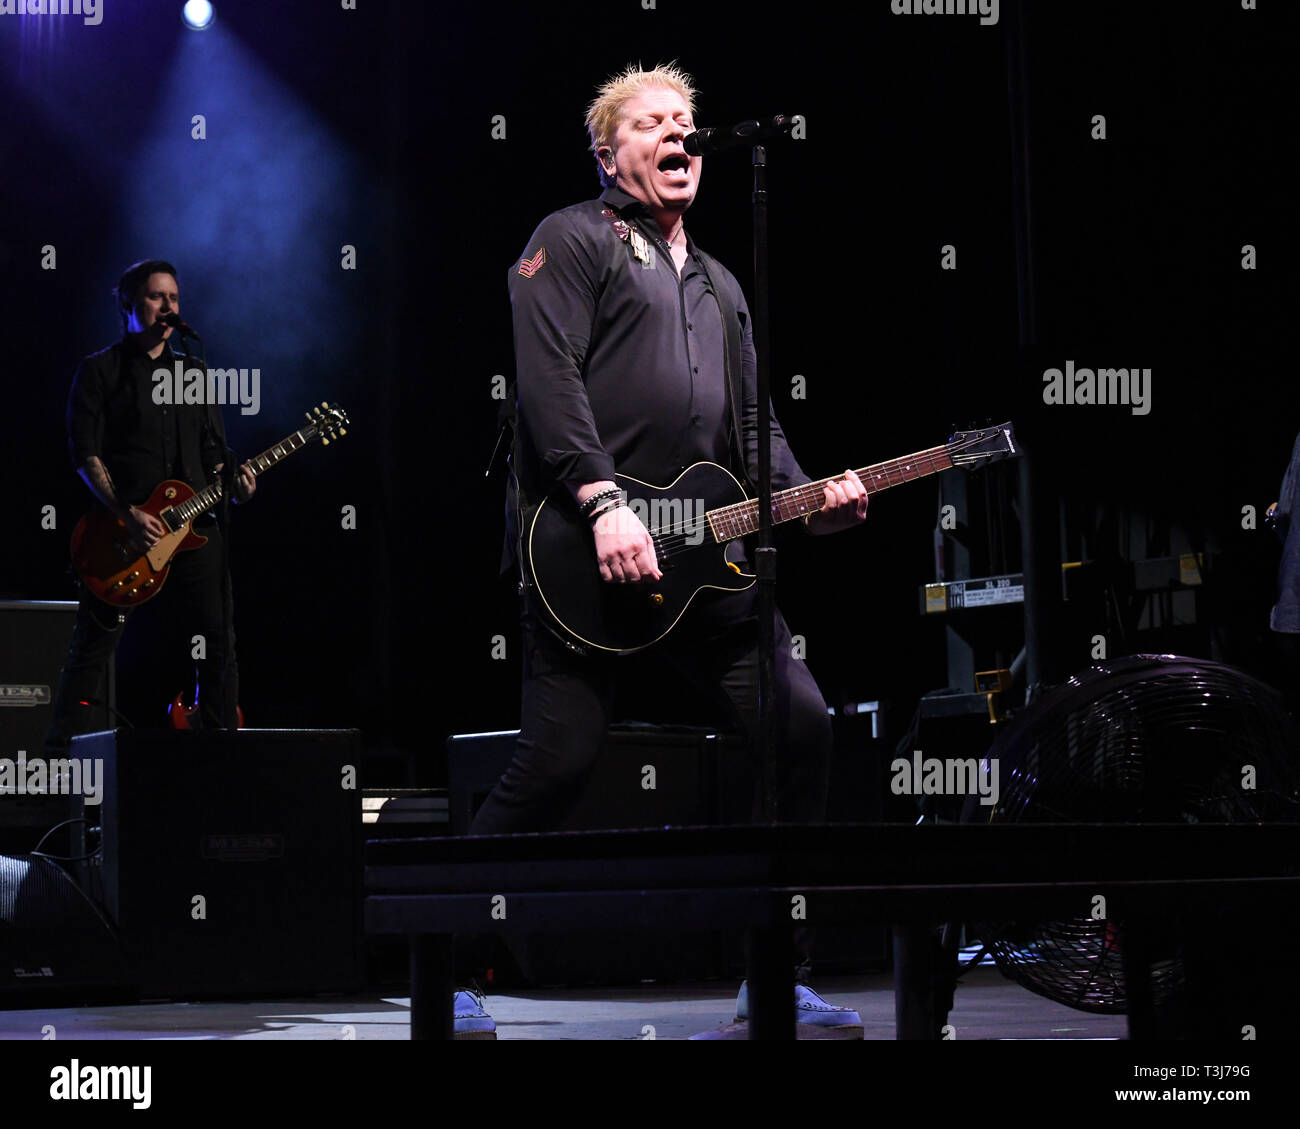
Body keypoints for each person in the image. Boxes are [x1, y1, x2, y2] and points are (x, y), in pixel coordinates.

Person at [462, 64, 870, 1036]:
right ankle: (456, 961)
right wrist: (604, 502)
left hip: (706, 565)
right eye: (651, 123)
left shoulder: (723, 284)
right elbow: (546, 381)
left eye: (685, 121)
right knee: (558, 762)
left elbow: (754, 428)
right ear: (610, 152)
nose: (678, 134)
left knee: (801, 723)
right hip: (583, 550)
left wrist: (811, 502)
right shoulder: (568, 240)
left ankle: (775, 970)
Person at [44, 260, 256, 753]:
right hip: (124, 536)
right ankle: (58, 767)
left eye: (175, 299)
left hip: (196, 528)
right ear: (128, 306)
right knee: (92, 652)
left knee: (218, 642)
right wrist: (125, 513)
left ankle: (221, 754)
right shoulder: (100, 370)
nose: (168, 307)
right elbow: (84, 453)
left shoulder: (196, 373)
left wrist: (238, 487)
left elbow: (215, 459)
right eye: (157, 297)